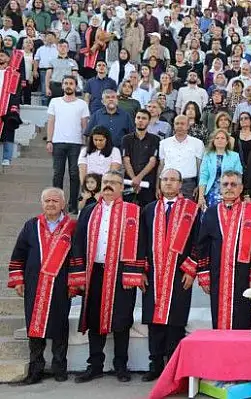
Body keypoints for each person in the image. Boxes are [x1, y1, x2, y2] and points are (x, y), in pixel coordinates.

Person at [71, 170, 141, 383]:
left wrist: (133, 273)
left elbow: (142, 243)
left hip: (121, 273)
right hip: (95, 272)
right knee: (94, 318)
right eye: (106, 182)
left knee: (121, 319)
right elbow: (78, 243)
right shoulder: (90, 211)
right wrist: (79, 274)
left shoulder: (133, 211)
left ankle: (121, 365)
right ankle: (95, 365)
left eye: (114, 182)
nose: (109, 185)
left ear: (122, 187)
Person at [7, 188, 77, 385]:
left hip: (61, 285)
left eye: (55, 201)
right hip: (35, 285)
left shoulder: (72, 227)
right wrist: (18, 280)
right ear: (42, 203)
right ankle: (35, 369)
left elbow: (78, 257)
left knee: (60, 326)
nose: (51, 204)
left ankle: (59, 368)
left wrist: (75, 283)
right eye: (47, 201)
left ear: (63, 204)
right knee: (34, 328)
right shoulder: (31, 226)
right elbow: (18, 254)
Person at [137, 169, 200, 382]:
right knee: (154, 321)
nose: (169, 183)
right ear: (160, 183)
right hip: (154, 273)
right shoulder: (148, 210)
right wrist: (141, 271)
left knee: (175, 322)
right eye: (165, 179)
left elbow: (198, 242)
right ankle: (155, 364)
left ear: (181, 184)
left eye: (173, 179)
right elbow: (141, 242)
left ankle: (173, 366)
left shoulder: (192, 210)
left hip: (179, 274)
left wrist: (191, 270)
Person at [196, 171, 251, 329]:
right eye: (225, 184)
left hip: (244, 276)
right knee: (218, 319)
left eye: (233, 184)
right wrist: (204, 276)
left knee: (243, 318)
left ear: (241, 188)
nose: (229, 188)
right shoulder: (210, 213)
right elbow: (202, 247)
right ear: (220, 188)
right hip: (218, 276)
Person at [47, 75, 90, 214]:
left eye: (71, 83)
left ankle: (72, 204)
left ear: (75, 86)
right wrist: (49, 140)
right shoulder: (54, 101)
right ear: (62, 86)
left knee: (74, 174)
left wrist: (85, 143)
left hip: (76, 143)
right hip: (58, 142)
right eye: (66, 83)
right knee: (57, 174)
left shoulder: (82, 104)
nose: (68, 86)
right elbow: (51, 122)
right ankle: (57, 203)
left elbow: (85, 125)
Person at [158, 115, 205, 200]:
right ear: (173, 125)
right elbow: (161, 165)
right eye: (177, 123)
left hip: (189, 184)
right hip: (167, 183)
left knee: (187, 212)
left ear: (188, 126)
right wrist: (157, 186)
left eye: (182, 124)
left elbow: (200, 167)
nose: (179, 126)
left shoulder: (197, 143)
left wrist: (198, 186)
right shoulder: (164, 143)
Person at [122, 109, 160, 207]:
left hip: (147, 182)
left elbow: (152, 161)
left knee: (146, 212)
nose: (140, 120)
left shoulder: (155, 139)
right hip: (129, 182)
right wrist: (134, 179)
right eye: (138, 118)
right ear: (134, 120)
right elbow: (126, 160)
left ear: (149, 121)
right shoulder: (126, 139)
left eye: (144, 118)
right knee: (128, 210)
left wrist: (138, 178)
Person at [197, 129, 243, 210]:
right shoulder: (207, 155)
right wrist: (201, 197)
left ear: (227, 141)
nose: (220, 140)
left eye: (222, 138)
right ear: (213, 141)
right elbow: (204, 177)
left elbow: (238, 177)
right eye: (217, 138)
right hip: (212, 193)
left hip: (229, 191)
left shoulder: (235, 156)